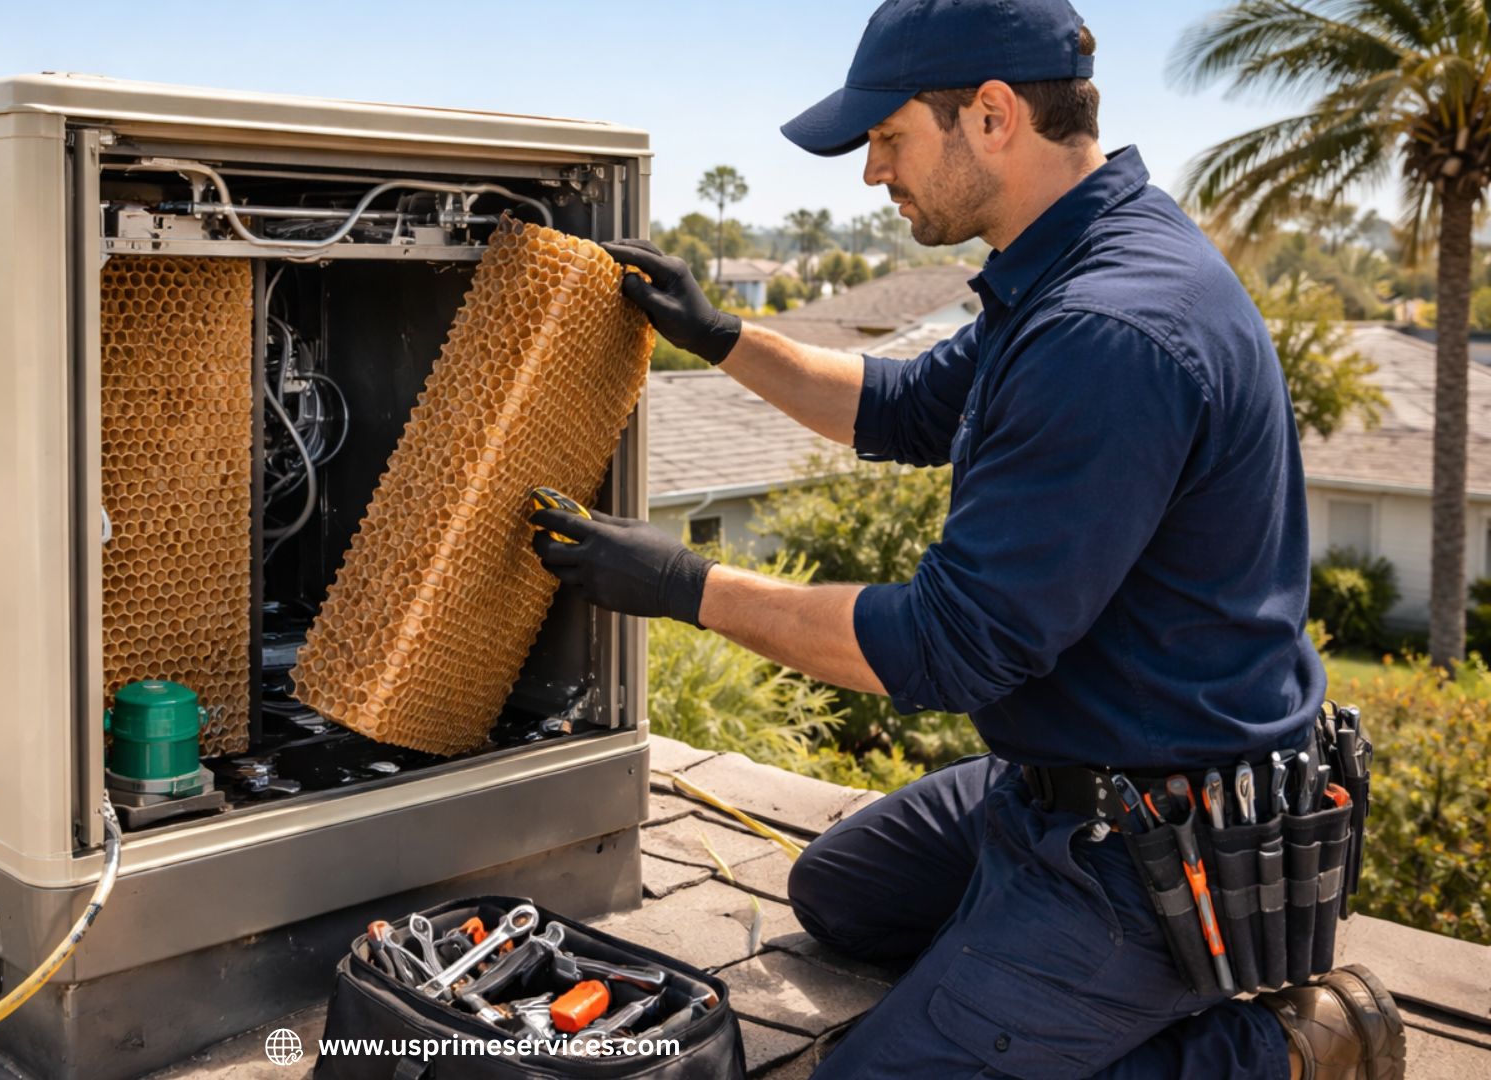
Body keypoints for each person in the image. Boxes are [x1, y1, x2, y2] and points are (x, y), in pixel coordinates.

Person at [530, 1, 1407, 1077]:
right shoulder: (1067, 262)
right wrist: (719, 337)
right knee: (839, 896)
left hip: (1158, 844)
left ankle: (1289, 1043)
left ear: (992, 116)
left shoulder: (1108, 329)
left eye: (888, 137)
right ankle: (1022, 981)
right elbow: (902, 407)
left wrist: (683, 584)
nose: (872, 173)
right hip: (1055, 780)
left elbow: (952, 645)